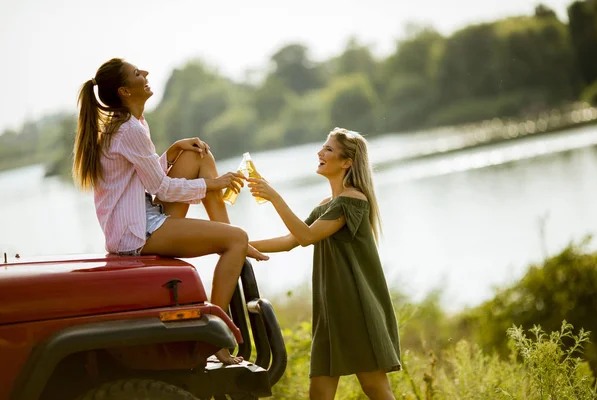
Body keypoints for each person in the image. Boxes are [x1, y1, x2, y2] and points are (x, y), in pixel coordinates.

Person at [72, 58, 268, 365]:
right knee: (235, 238)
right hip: (137, 233)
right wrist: (212, 183)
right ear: (125, 91)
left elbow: (144, 181)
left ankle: (233, 242)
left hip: (140, 217)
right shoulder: (128, 130)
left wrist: (174, 150)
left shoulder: (132, 125)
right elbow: (161, 189)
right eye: (137, 73)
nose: (146, 73)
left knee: (196, 153)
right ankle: (216, 335)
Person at [248, 127, 401, 400]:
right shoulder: (326, 205)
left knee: (376, 389)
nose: (320, 152)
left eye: (328, 149)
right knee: (319, 393)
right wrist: (238, 244)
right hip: (330, 311)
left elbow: (306, 237)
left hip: (356, 308)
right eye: (323, 147)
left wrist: (274, 197)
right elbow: (289, 240)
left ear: (346, 162)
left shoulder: (353, 200)